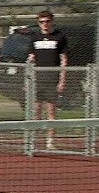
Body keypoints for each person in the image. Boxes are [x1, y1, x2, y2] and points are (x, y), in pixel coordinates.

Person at [27, 11, 69, 150]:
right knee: (36, 111)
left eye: (47, 21)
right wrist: (27, 75)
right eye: (42, 22)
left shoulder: (60, 37)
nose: (45, 24)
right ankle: (32, 141)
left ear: (52, 22)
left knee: (51, 111)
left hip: (52, 79)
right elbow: (31, 57)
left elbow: (64, 59)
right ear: (38, 23)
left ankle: (50, 141)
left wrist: (62, 80)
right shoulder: (34, 37)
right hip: (37, 79)